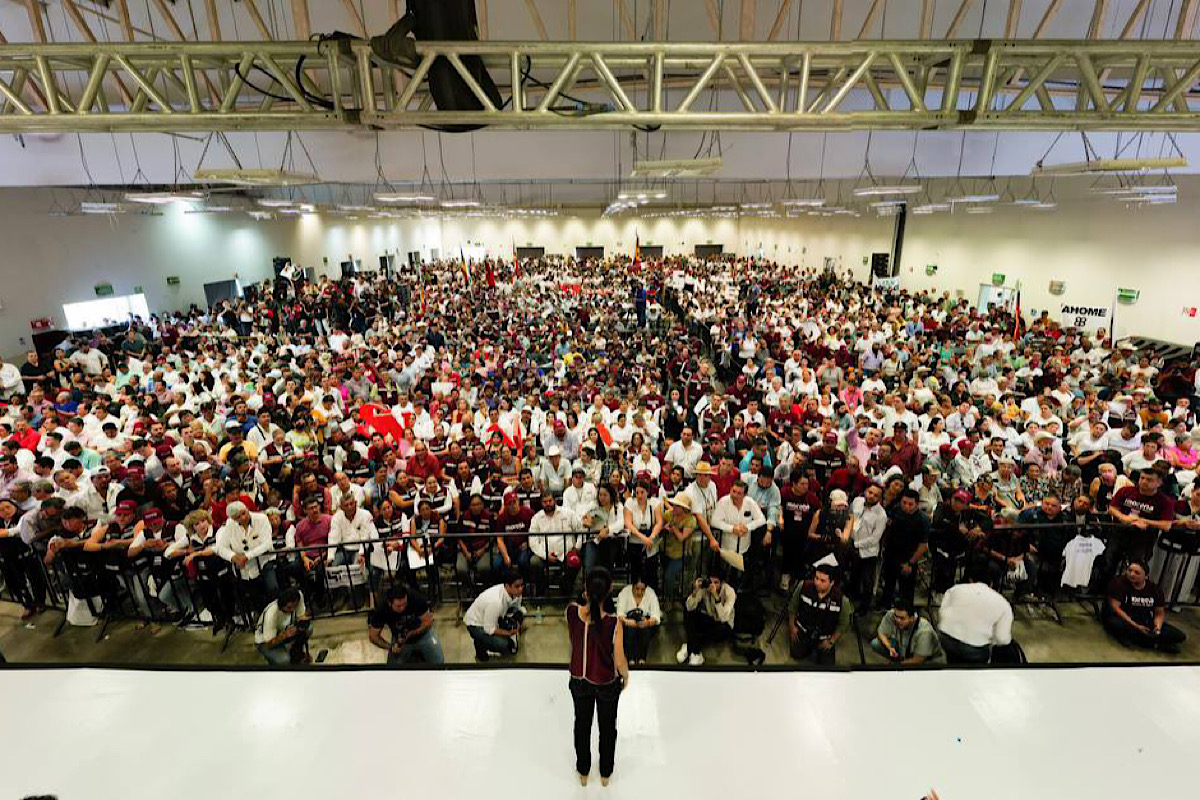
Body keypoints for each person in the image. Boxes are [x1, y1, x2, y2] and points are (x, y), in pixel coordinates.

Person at [566, 568, 628, 787]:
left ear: (585, 590)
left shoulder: (571, 613)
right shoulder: (613, 623)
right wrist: (626, 675)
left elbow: (573, 642)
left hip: (579, 680)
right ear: (609, 591)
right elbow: (619, 659)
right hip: (606, 684)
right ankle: (605, 773)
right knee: (607, 728)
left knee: (582, 726)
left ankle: (583, 771)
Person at [1102, 561, 1186, 653]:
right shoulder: (1118, 583)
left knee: (1179, 636)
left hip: (1143, 619)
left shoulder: (1154, 589)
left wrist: (1157, 629)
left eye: (1137, 572)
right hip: (1124, 619)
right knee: (1117, 625)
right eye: (1129, 570)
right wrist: (1136, 626)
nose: (1131, 574)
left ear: (1146, 576)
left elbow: (1159, 612)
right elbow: (1116, 608)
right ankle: (1153, 644)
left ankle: (1145, 641)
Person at [937, 577, 1013, 663]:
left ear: (970, 580)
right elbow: (1002, 638)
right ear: (991, 584)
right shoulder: (1003, 603)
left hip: (946, 638)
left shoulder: (955, 589)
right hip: (975, 648)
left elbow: (941, 612)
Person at [787, 563, 851, 665]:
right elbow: (792, 607)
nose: (817, 582)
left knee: (827, 666)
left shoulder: (842, 600)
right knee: (796, 654)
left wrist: (831, 641)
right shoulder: (803, 586)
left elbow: (843, 624)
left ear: (832, 582)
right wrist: (792, 626)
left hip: (824, 637)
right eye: (816, 578)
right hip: (803, 631)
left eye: (823, 581)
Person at [367, 583, 444, 665]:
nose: (402, 608)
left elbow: (428, 621)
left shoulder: (416, 598)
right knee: (393, 669)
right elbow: (373, 636)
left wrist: (410, 634)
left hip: (423, 634)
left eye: (404, 604)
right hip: (400, 640)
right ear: (390, 603)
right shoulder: (382, 608)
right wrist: (391, 647)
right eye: (398, 606)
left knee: (438, 662)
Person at [463, 570, 525, 662]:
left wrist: (516, 623)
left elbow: (517, 609)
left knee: (520, 614)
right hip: (476, 625)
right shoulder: (496, 602)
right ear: (507, 586)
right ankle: (480, 644)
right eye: (517, 586)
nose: (520, 589)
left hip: (493, 616)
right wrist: (509, 633)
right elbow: (489, 629)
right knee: (505, 645)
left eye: (522, 585)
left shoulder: (514, 593)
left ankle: (484, 640)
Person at [678, 573, 737, 666]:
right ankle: (695, 651)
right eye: (711, 581)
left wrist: (716, 596)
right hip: (709, 619)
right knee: (689, 612)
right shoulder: (706, 587)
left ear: (722, 583)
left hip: (723, 624)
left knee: (720, 630)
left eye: (716, 582)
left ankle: (690, 645)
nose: (712, 585)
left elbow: (724, 618)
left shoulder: (729, 592)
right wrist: (695, 591)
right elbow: (689, 607)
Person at [871, 601, 944, 665]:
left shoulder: (924, 632)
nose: (898, 620)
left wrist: (895, 666)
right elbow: (881, 633)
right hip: (903, 648)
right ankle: (900, 660)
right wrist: (889, 647)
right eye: (896, 616)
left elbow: (918, 660)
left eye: (902, 618)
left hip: (927, 661)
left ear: (912, 618)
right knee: (875, 643)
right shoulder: (892, 614)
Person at [254, 588, 311, 666]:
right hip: (266, 642)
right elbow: (269, 644)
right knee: (284, 661)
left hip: (284, 630)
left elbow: (301, 615)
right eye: (289, 607)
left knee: (308, 628)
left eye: (295, 606)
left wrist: (303, 619)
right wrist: (284, 636)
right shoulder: (271, 614)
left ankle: (296, 655)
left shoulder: (299, 596)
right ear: (281, 606)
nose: (292, 610)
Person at [615, 574, 661, 664]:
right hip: (628, 622)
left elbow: (656, 616)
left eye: (642, 589)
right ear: (632, 586)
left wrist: (647, 622)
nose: (639, 592)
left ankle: (642, 659)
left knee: (645, 631)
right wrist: (628, 622)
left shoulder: (651, 593)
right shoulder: (625, 592)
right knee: (630, 631)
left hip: (645, 622)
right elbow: (619, 615)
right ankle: (630, 659)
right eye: (637, 589)